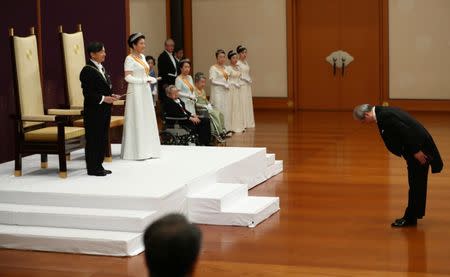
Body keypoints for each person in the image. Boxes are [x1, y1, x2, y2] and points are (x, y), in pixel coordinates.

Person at [353, 104, 443, 227]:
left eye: (363, 121)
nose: (364, 124)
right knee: (417, 183)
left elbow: (406, 131)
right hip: (415, 148)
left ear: (367, 115)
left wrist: (417, 151)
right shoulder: (382, 112)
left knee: (416, 184)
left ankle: (410, 218)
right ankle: (413, 216)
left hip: (418, 150)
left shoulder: (385, 116)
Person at [80, 41, 118, 176]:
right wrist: (103, 99)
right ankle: (92, 167)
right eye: (101, 52)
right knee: (93, 139)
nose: (104, 54)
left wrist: (111, 95)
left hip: (104, 110)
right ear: (92, 54)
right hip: (93, 111)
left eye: (104, 51)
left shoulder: (101, 68)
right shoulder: (87, 70)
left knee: (102, 138)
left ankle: (99, 165)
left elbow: (103, 88)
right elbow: (88, 94)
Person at [121, 33, 161, 160]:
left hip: (144, 91)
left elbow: (144, 73)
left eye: (144, 43)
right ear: (133, 45)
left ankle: (149, 149)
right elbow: (127, 77)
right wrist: (143, 80)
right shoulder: (129, 59)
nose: (144, 45)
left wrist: (149, 78)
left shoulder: (143, 56)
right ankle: (136, 152)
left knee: (146, 117)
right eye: (141, 43)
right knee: (138, 117)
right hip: (136, 91)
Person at [194, 72, 227, 142]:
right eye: (202, 82)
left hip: (206, 108)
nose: (203, 84)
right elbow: (195, 103)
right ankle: (217, 132)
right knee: (215, 115)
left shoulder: (202, 90)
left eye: (204, 82)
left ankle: (222, 130)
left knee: (219, 113)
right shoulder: (194, 91)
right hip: (200, 109)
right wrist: (204, 106)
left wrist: (209, 104)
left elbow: (206, 100)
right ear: (196, 82)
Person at [209, 49, 231, 131]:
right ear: (217, 58)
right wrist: (223, 84)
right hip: (217, 92)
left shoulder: (225, 68)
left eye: (223, 57)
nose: (222, 59)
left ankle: (226, 129)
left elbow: (227, 78)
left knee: (225, 109)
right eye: (220, 57)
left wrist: (228, 83)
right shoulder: (213, 68)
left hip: (225, 92)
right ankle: (218, 130)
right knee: (219, 109)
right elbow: (212, 80)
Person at [236, 45, 255, 128]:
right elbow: (238, 75)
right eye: (243, 53)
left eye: (245, 52)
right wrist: (246, 79)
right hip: (242, 84)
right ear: (239, 54)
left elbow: (247, 73)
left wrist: (249, 79)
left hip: (247, 85)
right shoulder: (237, 63)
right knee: (243, 102)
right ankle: (243, 122)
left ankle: (248, 121)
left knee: (247, 102)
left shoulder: (246, 62)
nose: (245, 54)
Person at [227, 50, 245, 133]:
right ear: (230, 59)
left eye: (236, 58)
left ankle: (239, 125)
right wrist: (234, 83)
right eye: (233, 58)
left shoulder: (237, 67)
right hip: (232, 90)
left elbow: (239, 77)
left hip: (238, 89)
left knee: (239, 106)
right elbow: (227, 81)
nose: (235, 59)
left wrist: (240, 83)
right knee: (233, 107)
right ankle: (232, 126)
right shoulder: (228, 68)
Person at [157, 38, 178, 103]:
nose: (172, 47)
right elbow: (162, 72)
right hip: (166, 83)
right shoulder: (162, 56)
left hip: (174, 82)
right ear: (165, 46)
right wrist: (165, 85)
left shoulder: (173, 56)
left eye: (173, 45)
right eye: (170, 45)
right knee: (167, 102)